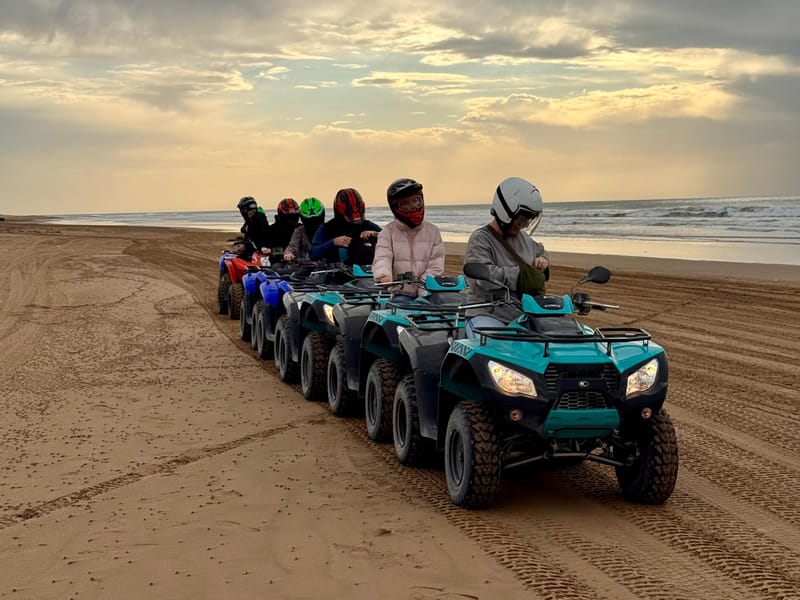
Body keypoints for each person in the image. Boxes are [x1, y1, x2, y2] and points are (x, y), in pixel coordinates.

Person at [463, 176, 550, 304]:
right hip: (489, 311)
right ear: (506, 211)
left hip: (523, 310)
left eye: (528, 219)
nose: (525, 224)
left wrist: (543, 260)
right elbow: (485, 279)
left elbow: (540, 251)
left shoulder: (523, 238)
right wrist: (521, 276)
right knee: (487, 324)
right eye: (521, 219)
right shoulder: (481, 239)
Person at [372, 178, 444, 297]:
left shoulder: (433, 231)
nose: (413, 206)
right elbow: (383, 257)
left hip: (428, 291)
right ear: (396, 208)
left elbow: (436, 264)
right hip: (400, 292)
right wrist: (384, 275)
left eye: (416, 200)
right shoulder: (388, 232)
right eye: (406, 204)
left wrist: (424, 284)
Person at [310, 188, 381, 266]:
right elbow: (313, 253)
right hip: (339, 274)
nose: (354, 222)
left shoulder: (367, 225)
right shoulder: (327, 228)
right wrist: (333, 242)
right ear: (340, 213)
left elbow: (391, 240)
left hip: (369, 272)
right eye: (350, 217)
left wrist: (376, 235)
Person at [284, 197, 325, 262]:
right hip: (305, 265)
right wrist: (289, 253)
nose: (313, 223)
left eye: (316, 219)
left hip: (327, 265)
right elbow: (293, 245)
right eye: (310, 221)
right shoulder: (299, 231)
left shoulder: (328, 229)